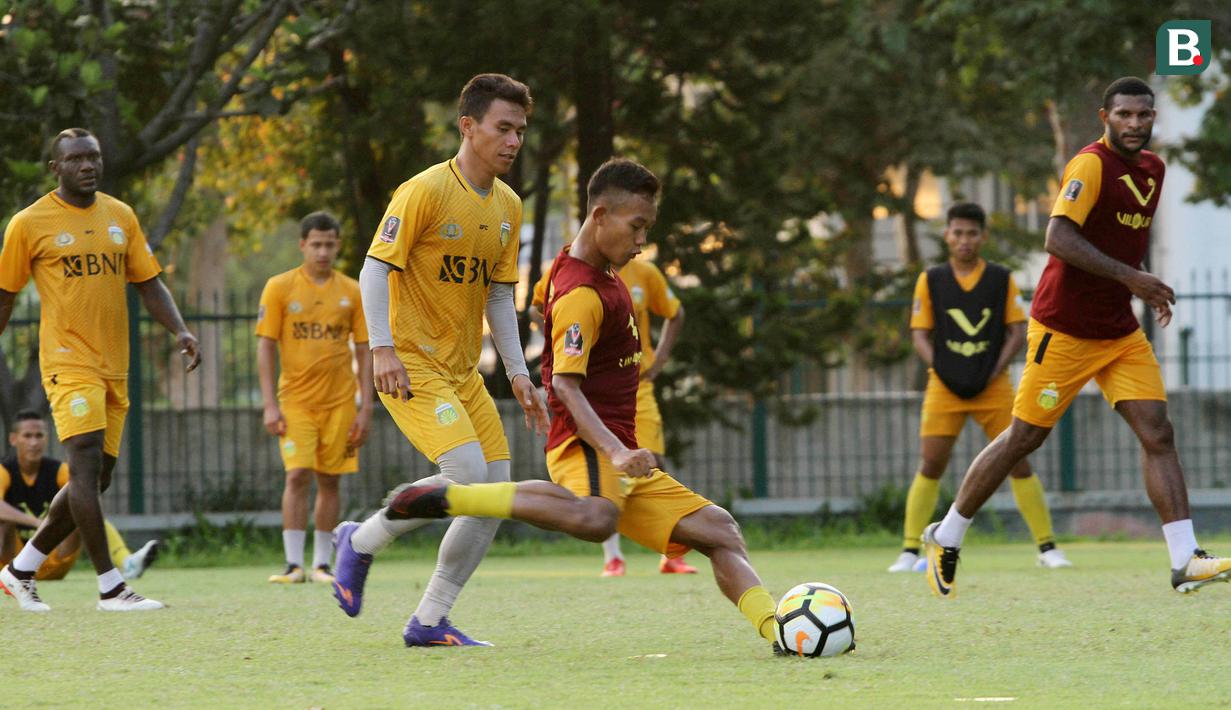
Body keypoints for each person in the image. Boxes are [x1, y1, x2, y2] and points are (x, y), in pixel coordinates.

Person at [379, 158, 784, 653]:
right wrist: (613, 450)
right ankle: (454, 498)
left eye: (646, 229)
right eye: (636, 227)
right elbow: (568, 387)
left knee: (720, 530)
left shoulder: (585, 272)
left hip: (619, 445)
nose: (641, 242)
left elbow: (533, 304)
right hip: (588, 442)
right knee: (596, 520)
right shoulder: (583, 294)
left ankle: (780, 630)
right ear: (599, 215)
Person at [923, 77, 1231, 598]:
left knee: (1157, 431)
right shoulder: (1089, 165)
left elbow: (1124, 242)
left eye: (1143, 115)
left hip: (1118, 331)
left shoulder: (1153, 169)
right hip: (1062, 329)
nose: (1134, 124)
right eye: (1124, 115)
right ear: (1104, 117)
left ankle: (1185, 559)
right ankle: (947, 533)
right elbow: (1057, 237)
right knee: (1025, 437)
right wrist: (1133, 279)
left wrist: (1145, 286)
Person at [331, 73, 549, 646]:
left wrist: (520, 374)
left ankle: (429, 620)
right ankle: (360, 541)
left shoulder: (508, 205)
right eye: (503, 128)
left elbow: (500, 295)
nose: (513, 141)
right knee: (470, 478)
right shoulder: (424, 191)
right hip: (411, 364)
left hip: (461, 372)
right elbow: (374, 269)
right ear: (468, 126)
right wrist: (382, 348)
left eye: (520, 131)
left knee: (493, 494)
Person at [0, 127, 199, 612]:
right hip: (68, 363)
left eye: (94, 157)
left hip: (114, 367)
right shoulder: (28, 223)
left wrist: (180, 330)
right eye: (76, 159)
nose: (88, 166)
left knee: (97, 477)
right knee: (84, 463)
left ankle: (20, 569)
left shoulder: (121, 216)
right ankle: (111, 586)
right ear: (56, 168)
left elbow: (149, 283)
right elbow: (5, 295)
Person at [888, 203, 1071, 573]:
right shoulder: (932, 279)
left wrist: (992, 370)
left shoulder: (1001, 278)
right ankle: (909, 551)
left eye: (972, 233)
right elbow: (920, 334)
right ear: (947, 236)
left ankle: (1047, 547)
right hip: (944, 387)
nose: (964, 240)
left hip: (994, 388)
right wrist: (942, 367)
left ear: (983, 236)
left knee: (1018, 460)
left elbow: (1017, 331)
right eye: (957, 232)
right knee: (932, 463)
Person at [530, 255, 694, 576]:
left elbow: (676, 313)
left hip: (637, 385)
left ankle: (670, 553)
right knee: (604, 470)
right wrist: (559, 349)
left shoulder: (645, 272)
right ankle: (614, 557)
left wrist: (658, 362)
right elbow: (539, 307)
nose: (637, 240)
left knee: (651, 462)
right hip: (592, 389)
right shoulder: (566, 270)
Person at [257, 211, 372, 585]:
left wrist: (366, 407)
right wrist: (270, 404)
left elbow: (365, 350)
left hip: (340, 402)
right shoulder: (279, 287)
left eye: (329, 245)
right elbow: (265, 346)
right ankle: (293, 565)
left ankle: (322, 564)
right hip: (295, 402)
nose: (323, 252)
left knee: (330, 479)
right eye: (316, 244)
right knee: (297, 475)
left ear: (337, 245)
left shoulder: (352, 291)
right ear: (303, 245)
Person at [0, 410, 159, 581]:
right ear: (13, 439)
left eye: (39, 436)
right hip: (9, 564)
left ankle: (127, 562)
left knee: (83, 509)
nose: (34, 442)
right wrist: (38, 523)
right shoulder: (4, 471)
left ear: (46, 438)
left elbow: (88, 491)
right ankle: (18, 570)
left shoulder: (58, 470)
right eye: (27, 436)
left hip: (56, 562)